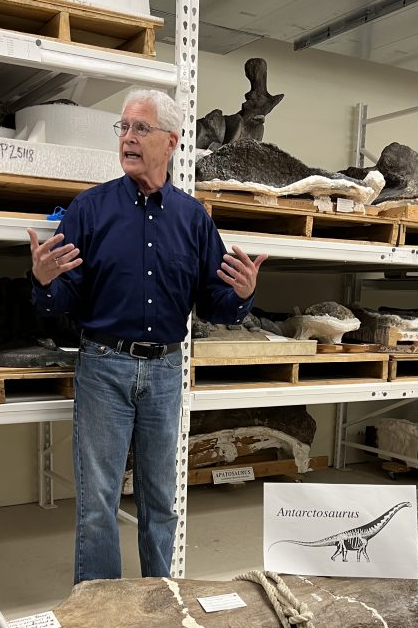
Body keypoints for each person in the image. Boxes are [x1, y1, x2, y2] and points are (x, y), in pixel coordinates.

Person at [28, 88, 267, 583]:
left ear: (171, 143)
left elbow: (215, 303)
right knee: (97, 503)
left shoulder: (194, 219)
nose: (128, 139)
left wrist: (242, 294)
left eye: (141, 129)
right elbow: (60, 302)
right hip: (103, 368)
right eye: (124, 128)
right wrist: (45, 282)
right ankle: (101, 610)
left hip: (165, 370)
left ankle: (163, 602)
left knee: (161, 500)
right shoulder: (88, 210)